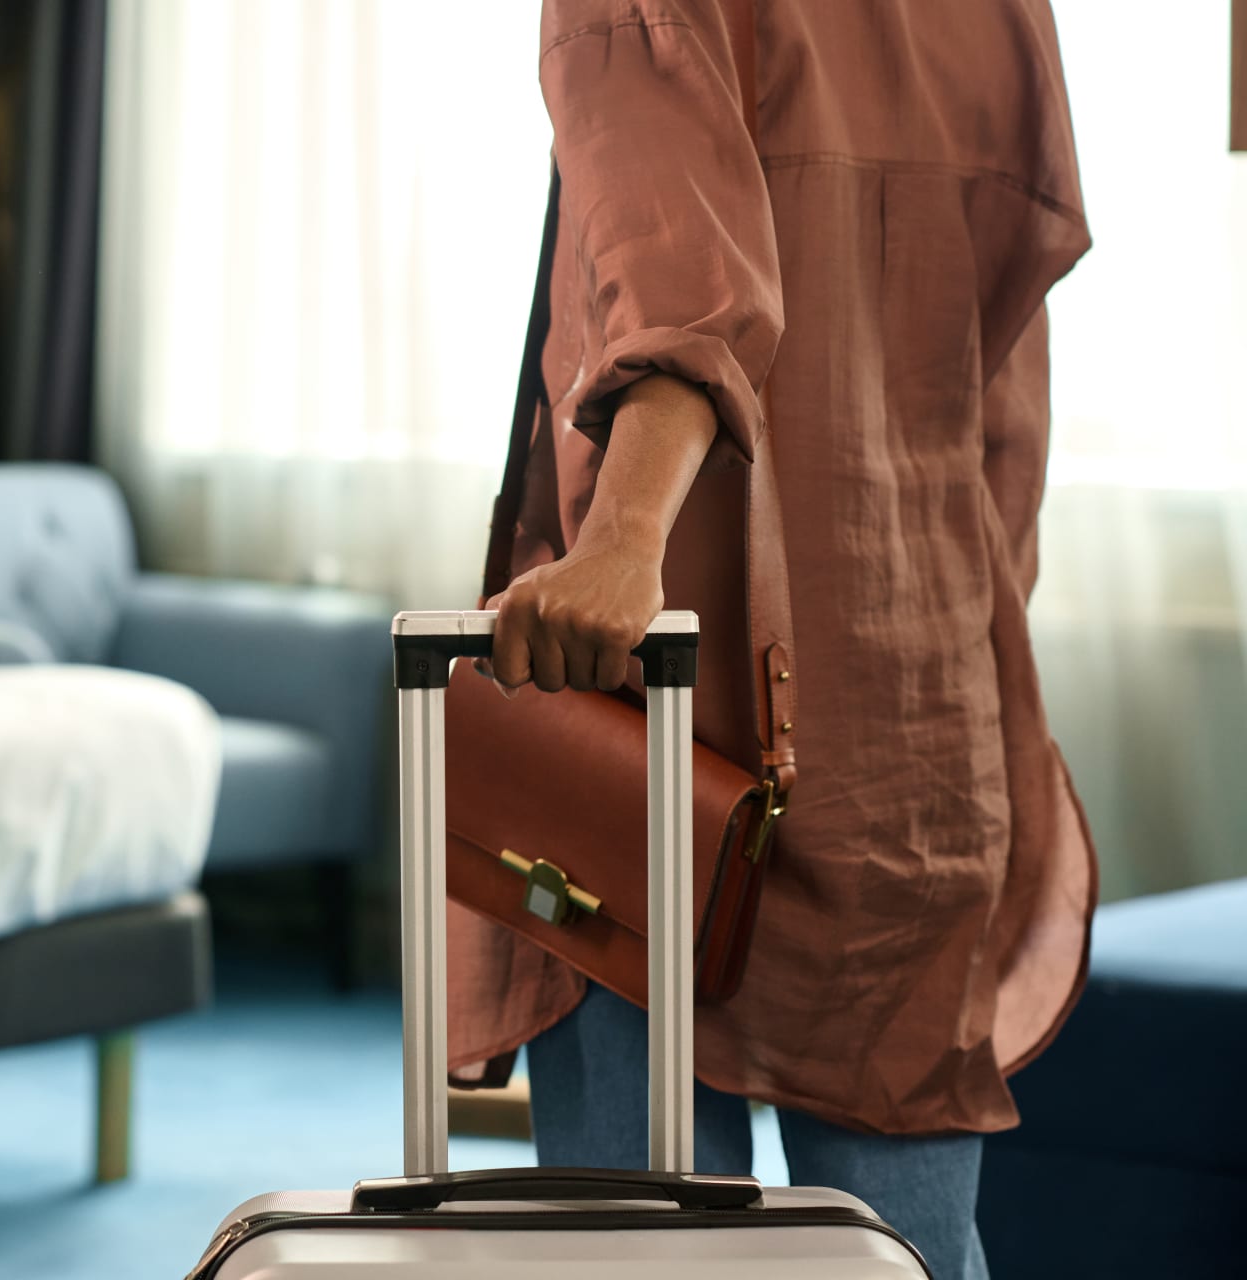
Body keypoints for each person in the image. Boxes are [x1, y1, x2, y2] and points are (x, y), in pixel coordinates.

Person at [450, 3, 1098, 1278]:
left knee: (642, 1256)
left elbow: (686, 287)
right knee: (909, 1250)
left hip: (651, 715)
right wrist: (972, 640)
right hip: (915, 712)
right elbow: (1005, 378)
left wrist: (625, 535)